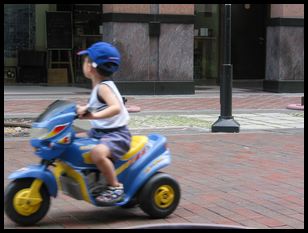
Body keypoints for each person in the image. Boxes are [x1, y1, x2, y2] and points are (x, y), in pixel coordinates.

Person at [76, 42, 131, 205]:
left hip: (116, 135)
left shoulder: (103, 88)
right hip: (101, 132)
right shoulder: (99, 86)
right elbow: (97, 104)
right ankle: (93, 178)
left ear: (92, 67)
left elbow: (115, 108)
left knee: (97, 153)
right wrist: (82, 108)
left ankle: (115, 187)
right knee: (75, 140)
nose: (83, 64)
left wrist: (94, 116)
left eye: (85, 60)